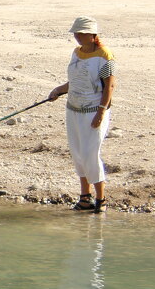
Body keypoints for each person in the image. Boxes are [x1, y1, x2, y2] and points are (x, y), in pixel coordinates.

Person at [47, 16, 115, 213]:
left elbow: (109, 86)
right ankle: (85, 198)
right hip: (73, 109)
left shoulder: (105, 56)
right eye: (76, 33)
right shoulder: (76, 53)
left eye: (81, 33)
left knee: (90, 154)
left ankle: (101, 199)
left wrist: (101, 112)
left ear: (93, 35)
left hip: (93, 110)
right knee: (77, 154)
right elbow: (76, 81)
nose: (77, 37)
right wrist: (59, 90)